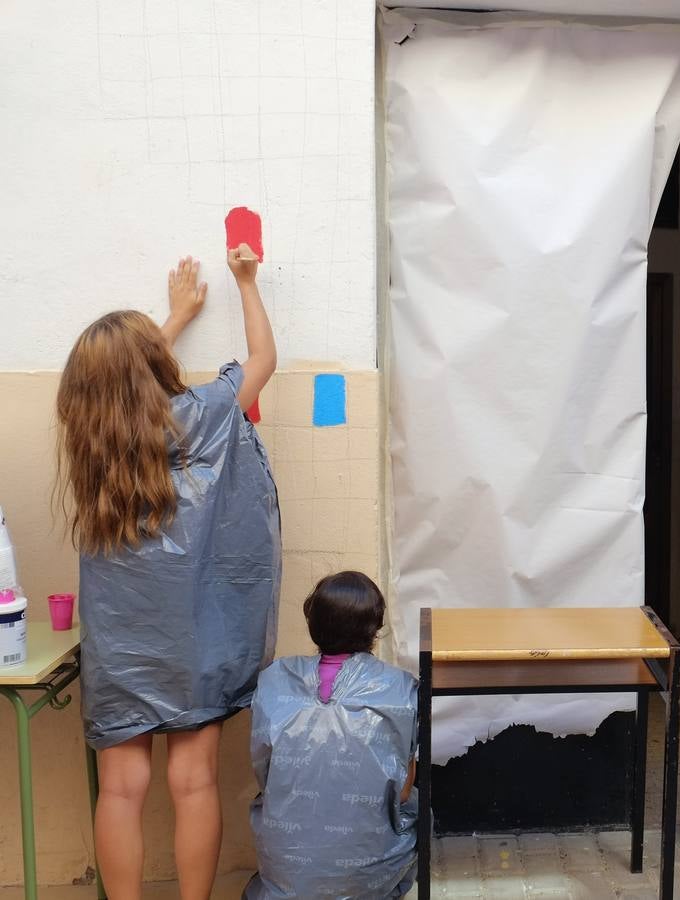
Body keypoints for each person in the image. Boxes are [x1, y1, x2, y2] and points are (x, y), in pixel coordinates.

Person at [56, 247, 279, 899]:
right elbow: (262, 361)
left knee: (121, 789)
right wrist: (245, 283)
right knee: (194, 783)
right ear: (154, 364)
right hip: (192, 642)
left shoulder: (88, 435)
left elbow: (115, 380)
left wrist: (175, 315)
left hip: (117, 641)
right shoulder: (203, 415)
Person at [246, 571, 418, 899]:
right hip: (365, 874)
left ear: (313, 623)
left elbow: (266, 776)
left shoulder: (272, 681)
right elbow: (404, 793)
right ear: (375, 629)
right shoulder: (402, 689)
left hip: (287, 865)